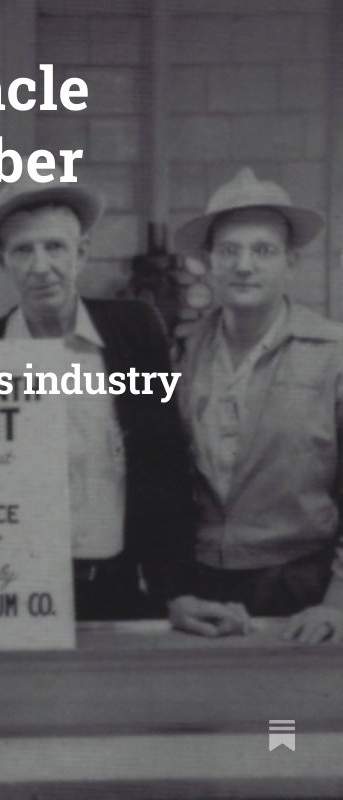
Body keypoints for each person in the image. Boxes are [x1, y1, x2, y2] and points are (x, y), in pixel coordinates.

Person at [0, 172, 207, 622]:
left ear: (81, 252)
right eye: (23, 250)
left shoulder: (135, 331)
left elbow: (167, 466)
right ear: (3, 262)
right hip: (11, 591)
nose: (41, 266)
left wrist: (176, 590)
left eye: (55, 247)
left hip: (119, 587)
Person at [172, 167, 343, 643]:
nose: (244, 265)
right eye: (229, 250)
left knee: (288, 697)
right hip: (204, 586)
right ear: (208, 262)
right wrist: (176, 588)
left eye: (263, 251)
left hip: (305, 587)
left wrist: (337, 603)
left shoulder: (332, 354)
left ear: (291, 263)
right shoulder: (183, 351)